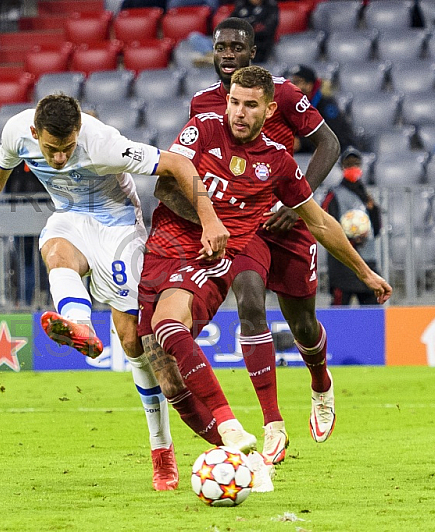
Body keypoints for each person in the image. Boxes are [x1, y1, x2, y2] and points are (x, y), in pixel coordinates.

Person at [0, 93, 228, 491]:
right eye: (50, 150)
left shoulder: (105, 144)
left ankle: (161, 446)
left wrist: (209, 220)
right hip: (70, 218)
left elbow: (179, 164)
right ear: (33, 133)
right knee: (55, 251)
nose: (59, 159)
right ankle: (80, 326)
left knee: (133, 340)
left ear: (79, 132)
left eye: (67, 148)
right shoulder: (15, 133)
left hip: (118, 226)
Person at [138, 66, 391, 478]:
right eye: (234, 102)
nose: (239, 112)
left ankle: (241, 425)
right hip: (160, 255)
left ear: (269, 108)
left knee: (171, 327)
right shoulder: (201, 129)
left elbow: (322, 223)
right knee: (169, 381)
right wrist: (208, 217)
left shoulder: (277, 161)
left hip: (208, 262)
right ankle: (247, 463)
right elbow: (165, 185)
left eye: (250, 105)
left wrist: (365, 273)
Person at [153, 17, 342, 466]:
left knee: (303, 326)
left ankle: (320, 381)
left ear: (252, 53)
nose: (228, 54)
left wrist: (296, 205)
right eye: (221, 48)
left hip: (288, 217)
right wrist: (210, 216)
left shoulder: (284, 94)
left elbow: (329, 145)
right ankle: (273, 423)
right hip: (244, 225)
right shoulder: (203, 104)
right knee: (251, 301)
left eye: (237, 47)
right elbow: (183, 170)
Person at [321, 147, 382, 306]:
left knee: (373, 312)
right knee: (339, 314)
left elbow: (376, 229)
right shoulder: (333, 195)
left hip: (367, 263)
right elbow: (326, 227)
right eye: (349, 164)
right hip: (343, 265)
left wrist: (373, 210)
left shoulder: (366, 195)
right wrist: (351, 240)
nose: (353, 167)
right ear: (342, 167)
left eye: (356, 163)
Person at [288, 63, 356, 152]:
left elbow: (332, 135)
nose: (292, 86)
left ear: (309, 85)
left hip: (337, 153)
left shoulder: (326, 105)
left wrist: (301, 143)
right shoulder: (295, 105)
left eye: (297, 82)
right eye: (291, 82)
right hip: (311, 152)